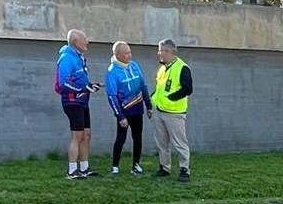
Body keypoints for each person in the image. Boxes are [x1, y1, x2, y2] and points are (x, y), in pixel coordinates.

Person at [56, 29, 100, 179]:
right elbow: (63, 83)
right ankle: (72, 170)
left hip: (83, 101)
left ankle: (85, 168)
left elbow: (80, 80)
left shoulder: (79, 57)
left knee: (86, 134)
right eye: (84, 39)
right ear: (75, 42)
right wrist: (82, 89)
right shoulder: (66, 58)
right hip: (72, 101)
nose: (87, 42)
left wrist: (90, 86)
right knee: (77, 135)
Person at [150, 38, 193, 181]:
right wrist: (152, 101)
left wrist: (171, 99)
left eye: (161, 50)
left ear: (168, 51)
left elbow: (188, 89)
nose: (159, 53)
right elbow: (159, 89)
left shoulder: (182, 68)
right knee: (162, 143)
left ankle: (184, 169)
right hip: (160, 111)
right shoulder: (163, 68)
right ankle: (164, 168)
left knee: (180, 143)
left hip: (175, 113)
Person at [105, 41, 147, 175]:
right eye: (126, 53)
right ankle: (115, 166)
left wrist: (148, 105)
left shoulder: (134, 65)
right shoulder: (112, 72)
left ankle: (136, 165)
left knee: (138, 138)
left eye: (130, 52)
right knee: (121, 139)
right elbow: (112, 96)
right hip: (124, 112)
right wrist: (120, 116)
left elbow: (143, 85)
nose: (130, 55)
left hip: (138, 109)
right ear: (117, 55)